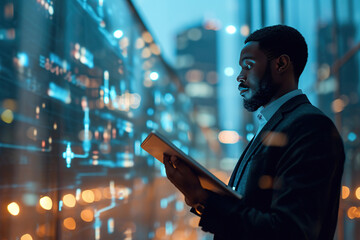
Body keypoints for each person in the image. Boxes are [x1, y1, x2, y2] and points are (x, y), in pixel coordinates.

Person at [163, 25, 345, 240]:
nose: (240, 77)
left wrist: (202, 196)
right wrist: (200, 197)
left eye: (248, 65)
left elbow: (289, 232)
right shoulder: (276, 124)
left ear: (281, 64)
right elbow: (252, 207)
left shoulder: (310, 127)